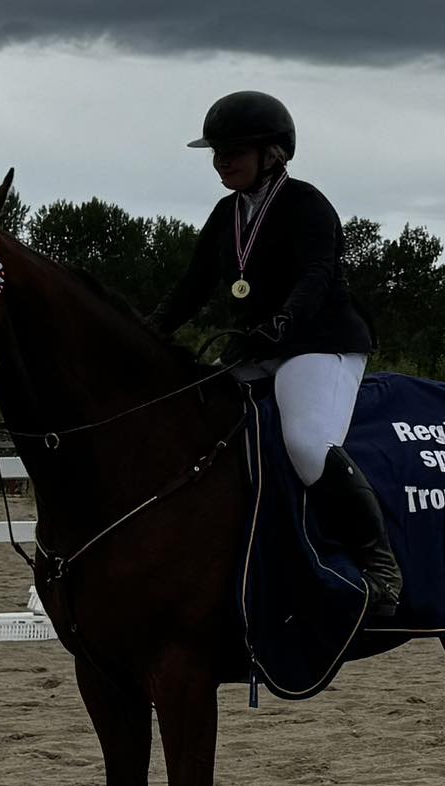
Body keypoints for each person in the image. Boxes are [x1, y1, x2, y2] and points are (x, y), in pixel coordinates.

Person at [152, 90, 401, 622]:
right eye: (218, 152)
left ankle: (378, 563)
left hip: (321, 344)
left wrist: (284, 321)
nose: (223, 161)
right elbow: (193, 287)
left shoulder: (307, 204)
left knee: (307, 444)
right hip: (259, 347)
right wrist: (145, 331)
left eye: (236, 150)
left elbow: (318, 276)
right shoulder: (226, 214)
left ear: (274, 153)